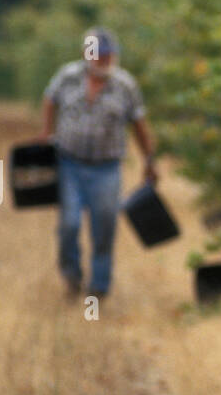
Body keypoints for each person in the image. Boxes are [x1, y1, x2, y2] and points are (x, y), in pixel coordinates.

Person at [40, 27, 156, 300]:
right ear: (86, 54)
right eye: (98, 55)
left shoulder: (125, 85)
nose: (104, 60)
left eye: (108, 55)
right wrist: (48, 132)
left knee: (104, 227)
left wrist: (149, 159)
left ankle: (99, 287)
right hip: (69, 162)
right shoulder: (68, 76)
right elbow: (49, 99)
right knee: (68, 224)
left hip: (107, 167)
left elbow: (139, 124)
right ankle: (71, 275)